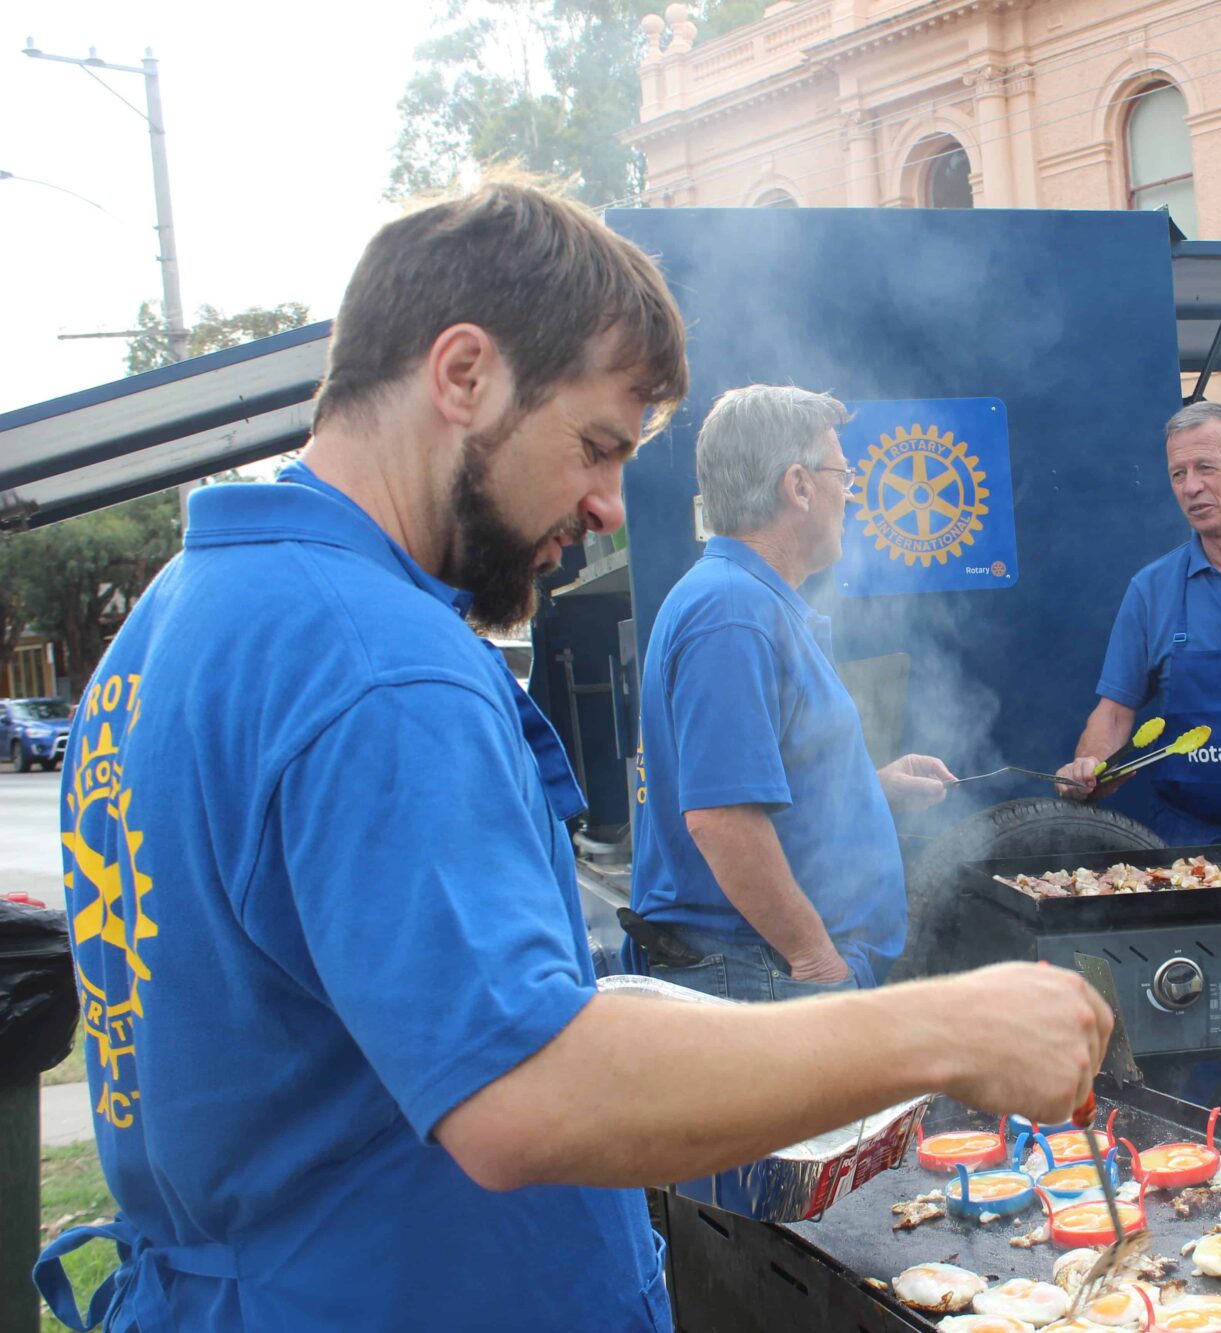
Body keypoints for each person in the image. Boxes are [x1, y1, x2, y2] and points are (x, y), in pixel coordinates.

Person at [36, 185, 1111, 1333]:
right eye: (595, 446)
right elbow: (518, 1093)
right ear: (462, 374)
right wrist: (949, 1026)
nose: (607, 506)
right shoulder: (378, 665)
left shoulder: (183, 613)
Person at [628, 384, 955, 998]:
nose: (851, 496)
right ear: (798, 486)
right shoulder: (733, 611)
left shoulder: (746, 602)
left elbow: (754, 784)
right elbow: (722, 820)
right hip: (762, 972)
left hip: (763, 966)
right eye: (844, 475)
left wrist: (867, 789)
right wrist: (816, 962)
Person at [1056, 401, 1221, 846]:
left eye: (1205, 467)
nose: (1190, 487)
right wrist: (1090, 767)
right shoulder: (1152, 589)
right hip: (1191, 851)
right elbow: (1115, 711)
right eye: (1178, 474)